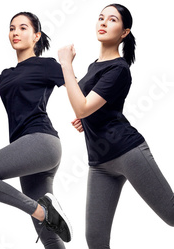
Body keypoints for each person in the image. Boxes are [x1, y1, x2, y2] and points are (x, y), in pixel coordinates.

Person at [58, 3, 174, 248]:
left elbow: (82, 105)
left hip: (127, 152)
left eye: (112, 20)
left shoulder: (119, 69)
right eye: (101, 18)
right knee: (96, 238)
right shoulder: (94, 66)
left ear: (124, 32)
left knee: (172, 215)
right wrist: (87, 118)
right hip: (99, 162)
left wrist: (66, 65)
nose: (103, 22)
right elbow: (87, 106)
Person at [0, 12, 72, 248]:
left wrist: (85, 115)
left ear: (36, 36)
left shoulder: (46, 65)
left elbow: (78, 88)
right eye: (12, 28)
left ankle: (42, 212)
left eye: (22, 28)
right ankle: (46, 214)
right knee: (49, 235)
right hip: (28, 152)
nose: (15, 33)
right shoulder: (7, 76)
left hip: (41, 142)